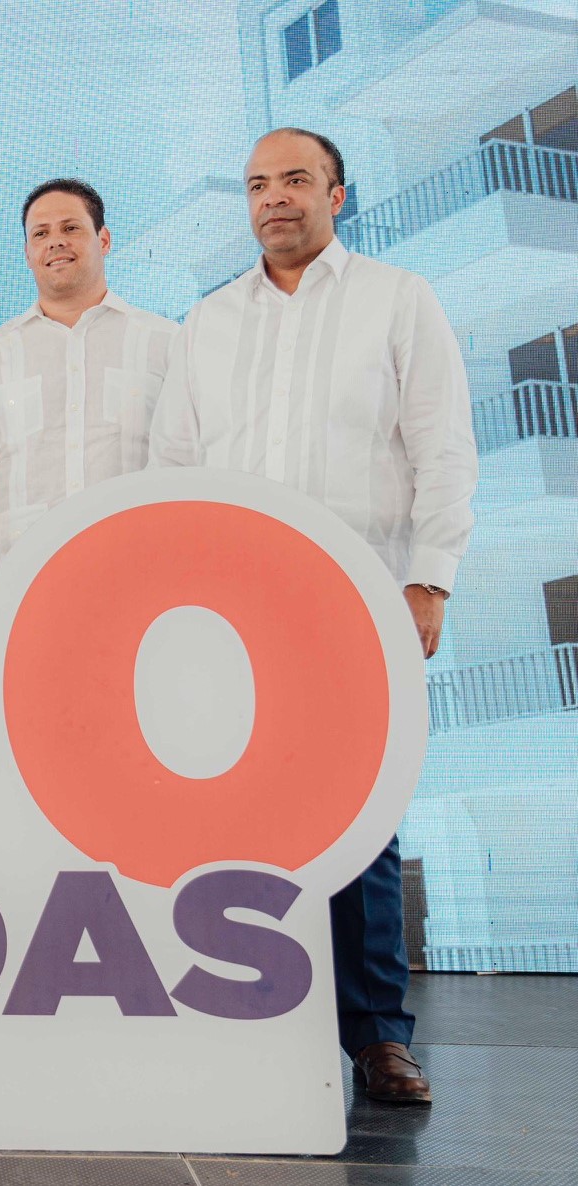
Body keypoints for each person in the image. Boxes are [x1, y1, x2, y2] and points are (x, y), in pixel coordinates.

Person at [150, 128, 477, 1106]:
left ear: (337, 193)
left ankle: (376, 1036)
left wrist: (430, 579)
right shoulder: (207, 322)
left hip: (362, 599)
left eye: (295, 179)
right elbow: (175, 470)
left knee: (359, 816)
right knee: (233, 817)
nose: (274, 198)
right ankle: (243, 1026)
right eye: (258, 184)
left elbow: (442, 448)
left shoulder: (398, 300)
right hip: (235, 615)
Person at [0, 178, 177, 582]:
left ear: (103, 240)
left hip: (138, 581)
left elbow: (189, 468)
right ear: (28, 254)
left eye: (71, 228)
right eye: (41, 233)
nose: (55, 242)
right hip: (16, 585)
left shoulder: (166, 342)